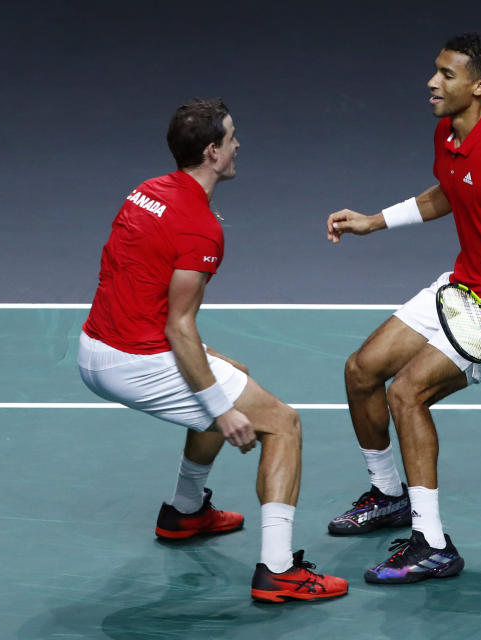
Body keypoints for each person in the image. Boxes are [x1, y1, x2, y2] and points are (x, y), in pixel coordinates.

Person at [78, 98, 347, 603]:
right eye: (231, 137)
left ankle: (184, 512)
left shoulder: (145, 192)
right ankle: (279, 570)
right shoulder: (202, 228)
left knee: (223, 376)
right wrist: (223, 410)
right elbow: (178, 324)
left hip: (96, 344)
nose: (238, 144)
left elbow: (139, 288)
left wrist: (210, 360)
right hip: (135, 360)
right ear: (212, 153)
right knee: (282, 424)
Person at [325, 33, 481, 584]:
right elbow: (447, 193)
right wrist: (372, 221)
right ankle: (387, 497)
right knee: (361, 371)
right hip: (460, 285)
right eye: (435, 70)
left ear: (479, 86)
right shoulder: (448, 134)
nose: (433, 82)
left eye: (447, 75)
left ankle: (431, 544)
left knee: (408, 394)